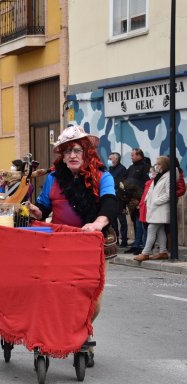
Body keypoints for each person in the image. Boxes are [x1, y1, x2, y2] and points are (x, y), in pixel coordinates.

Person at [27, 125, 117, 368]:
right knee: (60, 292)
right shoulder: (54, 178)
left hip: (92, 244)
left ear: (87, 152)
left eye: (77, 150)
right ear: (62, 156)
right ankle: (68, 334)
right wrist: (37, 210)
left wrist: (97, 223)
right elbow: (44, 205)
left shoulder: (102, 176)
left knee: (92, 298)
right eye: (67, 152)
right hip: (60, 243)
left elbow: (110, 203)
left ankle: (83, 333)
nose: (72, 155)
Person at [134, 157, 174, 261]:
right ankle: (163, 251)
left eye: (158, 164)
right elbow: (151, 190)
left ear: (164, 165)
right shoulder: (158, 176)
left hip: (160, 208)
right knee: (160, 231)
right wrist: (147, 200)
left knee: (151, 229)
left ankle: (145, 252)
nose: (156, 166)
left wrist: (156, 201)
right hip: (153, 208)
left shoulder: (169, 176)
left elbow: (169, 194)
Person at [123, 148, 151, 254]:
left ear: (139, 156)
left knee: (141, 223)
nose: (131, 157)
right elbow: (125, 179)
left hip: (140, 199)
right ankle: (136, 244)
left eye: (133, 155)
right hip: (131, 199)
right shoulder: (131, 167)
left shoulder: (145, 166)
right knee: (135, 222)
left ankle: (142, 245)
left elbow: (147, 182)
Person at [107, 152, 128, 247]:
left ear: (116, 159)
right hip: (112, 198)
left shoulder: (122, 169)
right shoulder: (110, 169)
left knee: (122, 220)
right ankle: (116, 239)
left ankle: (124, 240)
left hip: (120, 198)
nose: (109, 160)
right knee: (113, 220)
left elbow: (121, 184)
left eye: (110, 158)